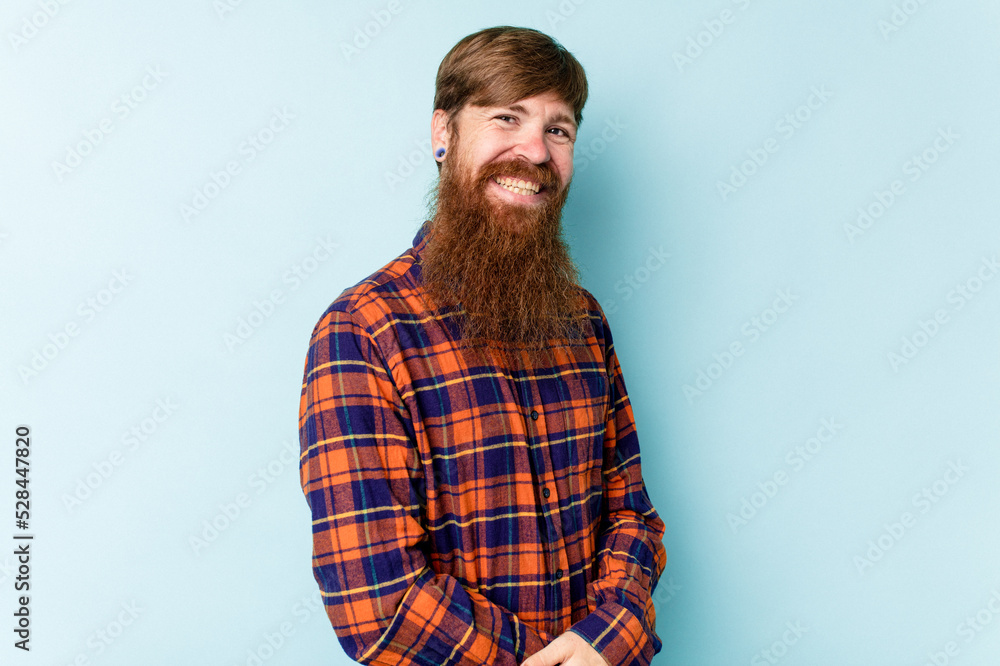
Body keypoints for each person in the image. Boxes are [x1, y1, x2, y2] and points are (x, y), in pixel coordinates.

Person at [298, 26, 666, 666]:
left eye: (558, 129)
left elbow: (631, 514)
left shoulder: (584, 320)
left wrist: (606, 639)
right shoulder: (363, 330)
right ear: (443, 133)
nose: (536, 150)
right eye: (506, 118)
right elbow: (377, 600)